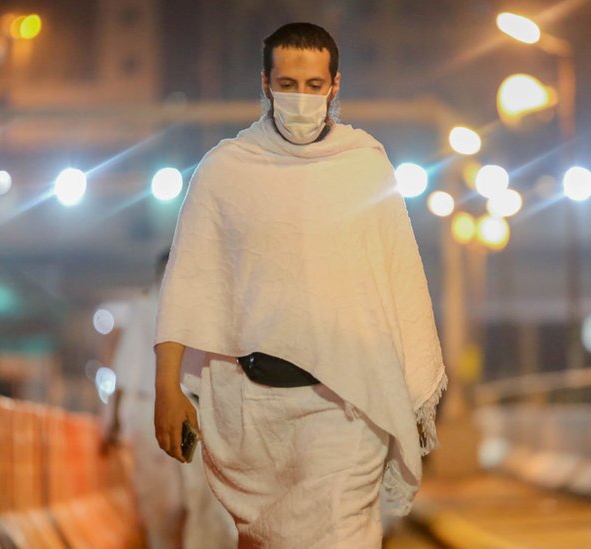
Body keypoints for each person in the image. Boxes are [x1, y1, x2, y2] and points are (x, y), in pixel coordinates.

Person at [153, 22, 447, 548]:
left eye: (314, 86)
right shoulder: (224, 171)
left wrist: (407, 383)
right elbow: (190, 281)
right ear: (265, 84)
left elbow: (398, 279)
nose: (301, 98)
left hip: (345, 405)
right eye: (287, 85)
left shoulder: (365, 169)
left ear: (335, 86)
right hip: (251, 413)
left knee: (339, 534)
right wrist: (166, 388)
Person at [101, 250, 237, 549]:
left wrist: (112, 422)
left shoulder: (150, 306)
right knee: (193, 501)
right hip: (178, 408)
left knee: (168, 504)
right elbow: (127, 368)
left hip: (163, 409)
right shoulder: (186, 307)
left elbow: (125, 368)